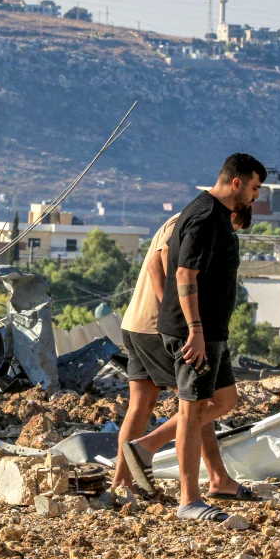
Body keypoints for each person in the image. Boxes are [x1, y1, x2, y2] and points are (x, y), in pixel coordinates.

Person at [123, 153, 266, 521]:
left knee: (222, 400)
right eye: (254, 188)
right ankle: (190, 499)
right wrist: (194, 330)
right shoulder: (203, 216)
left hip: (208, 331)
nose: (255, 197)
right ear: (237, 183)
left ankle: (147, 449)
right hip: (189, 331)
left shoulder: (214, 216)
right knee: (190, 410)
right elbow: (183, 275)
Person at [111, 205, 253, 497]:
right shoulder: (197, 222)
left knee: (143, 406)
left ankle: (120, 485)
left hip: (136, 322)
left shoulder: (182, 218)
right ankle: (152, 451)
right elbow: (156, 265)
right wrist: (175, 318)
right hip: (156, 326)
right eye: (233, 229)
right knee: (199, 403)